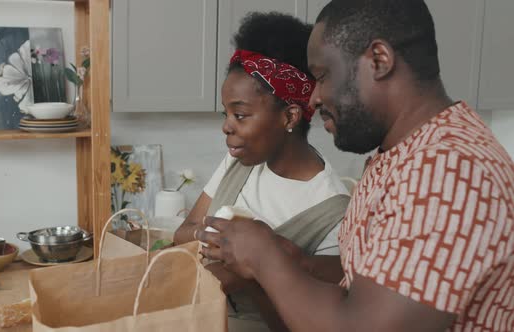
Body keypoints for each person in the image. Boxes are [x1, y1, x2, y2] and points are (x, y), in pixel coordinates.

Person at [196, 1, 514, 331]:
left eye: (323, 76)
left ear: (379, 60)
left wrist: (264, 259)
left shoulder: (447, 172)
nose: (314, 98)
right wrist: (301, 263)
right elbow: (369, 282)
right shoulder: (407, 156)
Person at [173, 12, 350, 331]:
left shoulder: (334, 214)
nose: (227, 126)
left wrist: (250, 267)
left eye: (240, 115)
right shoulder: (238, 162)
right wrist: (215, 240)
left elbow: (300, 324)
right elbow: (183, 233)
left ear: (290, 117)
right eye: (226, 113)